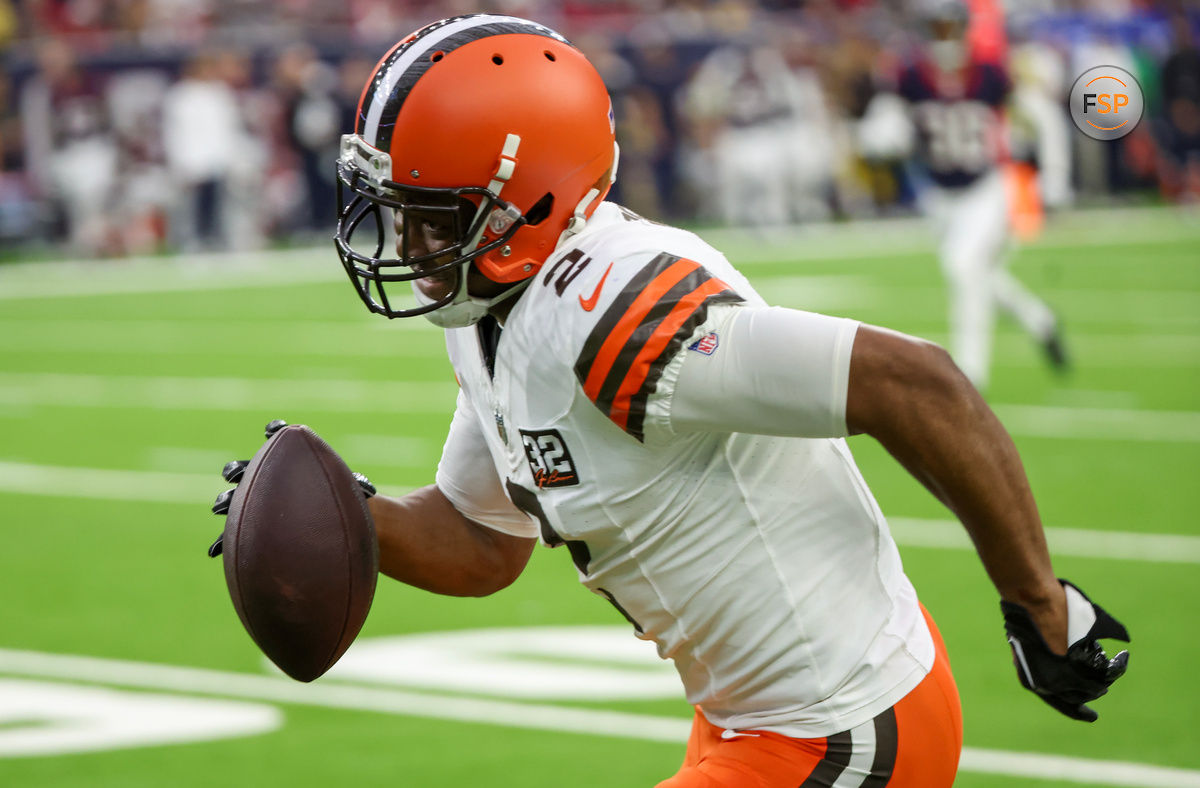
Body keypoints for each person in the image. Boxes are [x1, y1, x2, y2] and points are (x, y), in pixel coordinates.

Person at [218, 14, 1130, 787]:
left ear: (523, 206)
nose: (406, 240)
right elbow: (483, 539)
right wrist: (345, 516)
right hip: (751, 712)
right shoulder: (493, 304)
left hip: (840, 720)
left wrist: (1039, 603)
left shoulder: (615, 315)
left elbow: (916, 382)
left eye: (431, 214)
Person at [856, 0, 1068, 391]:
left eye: (949, 28)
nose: (944, 38)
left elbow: (1043, 118)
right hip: (938, 196)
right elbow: (881, 120)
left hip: (987, 188)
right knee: (979, 274)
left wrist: (1053, 179)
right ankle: (1040, 320)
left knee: (963, 266)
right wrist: (880, 136)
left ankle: (971, 379)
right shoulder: (909, 75)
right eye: (936, 28)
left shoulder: (990, 74)